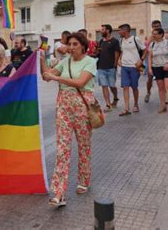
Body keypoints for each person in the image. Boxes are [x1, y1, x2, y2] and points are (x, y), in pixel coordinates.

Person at [39, 32, 97, 207]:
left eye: (75, 44)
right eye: (69, 44)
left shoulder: (90, 62)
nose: (71, 47)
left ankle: (84, 180)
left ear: (83, 46)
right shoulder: (64, 62)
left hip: (82, 107)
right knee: (62, 148)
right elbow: (47, 76)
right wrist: (42, 60)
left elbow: (80, 82)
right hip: (63, 107)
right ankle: (58, 192)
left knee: (84, 145)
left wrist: (56, 77)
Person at [117, 24, 146, 116]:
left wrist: (141, 61)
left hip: (134, 67)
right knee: (125, 87)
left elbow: (145, 50)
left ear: (125, 31)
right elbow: (122, 51)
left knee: (134, 87)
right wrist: (119, 59)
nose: (118, 32)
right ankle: (126, 108)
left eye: (120, 30)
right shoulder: (121, 40)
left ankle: (136, 104)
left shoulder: (135, 39)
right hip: (124, 67)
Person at [148, 28, 168, 113]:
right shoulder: (152, 44)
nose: (153, 35)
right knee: (161, 88)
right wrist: (149, 68)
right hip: (156, 67)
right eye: (153, 33)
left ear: (161, 35)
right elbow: (150, 57)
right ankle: (163, 105)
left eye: (155, 34)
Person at [96, 24, 120, 112]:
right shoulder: (101, 41)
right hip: (101, 67)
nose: (101, 31)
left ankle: (116, 97)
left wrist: (115, 64)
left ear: (108, 31)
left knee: (112, 86)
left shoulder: (115, 41)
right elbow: (98, 53)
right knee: (104, 86)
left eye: (103, 30)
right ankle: (108, 104)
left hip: (111, 68)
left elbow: (117, 53)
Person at [145, 20, 162, 103]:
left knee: (163, 79)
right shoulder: (151, 38)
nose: (156, 27)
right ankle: (148, 92)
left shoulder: (164, 36)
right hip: (152, 61)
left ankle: (164, 96)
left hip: (163, 61)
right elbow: (146, 49)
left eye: (158, 26)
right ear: (152, 27)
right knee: (149, 79)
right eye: (155, 26)